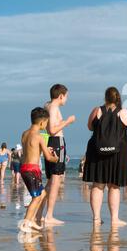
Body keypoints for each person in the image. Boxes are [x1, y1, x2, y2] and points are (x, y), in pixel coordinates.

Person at [83, 87, 127, 227]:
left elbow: (89, 127)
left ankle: (96, 219)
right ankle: (114, 219)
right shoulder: (123, 112)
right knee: (114, 186)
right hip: (118, 152)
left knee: (98, 185)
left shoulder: (97, 110)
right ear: (118, 98)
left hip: (97, 151)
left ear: (105, 97)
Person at [18, 107, 58, 233]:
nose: (46, 125)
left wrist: (42, 149)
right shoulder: (39, 136)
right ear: (41, 123)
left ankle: (31, 221)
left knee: (43, 194)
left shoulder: (24, 134)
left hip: (24, 168)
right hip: (33, 170)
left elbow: (30, 150)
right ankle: (26, 222)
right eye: (46, 123)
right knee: (36, 198)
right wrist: (56, 158)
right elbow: (48, 157)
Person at [42, 84, 76, 225]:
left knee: (51, 181)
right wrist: (67, 122)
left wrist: (61, 122)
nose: (66, 99)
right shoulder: (54, 107)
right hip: (56, 142)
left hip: (52, 143)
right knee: (55, 181)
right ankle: (49, 215)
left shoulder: (48, 105)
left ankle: (40, 214)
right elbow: (51, 130)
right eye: (66, 96)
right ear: (61, 96)